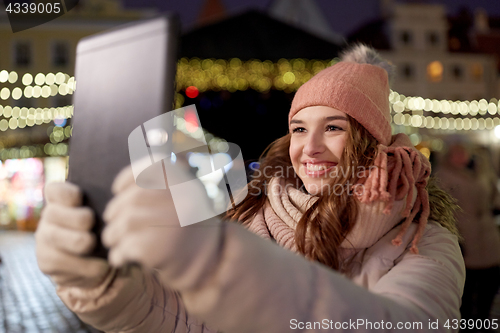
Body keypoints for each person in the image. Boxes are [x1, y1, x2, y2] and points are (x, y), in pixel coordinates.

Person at [35, 44, 465, 332]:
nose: (310, 148)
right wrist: (103, 283)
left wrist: (219, 264)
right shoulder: (249, 208)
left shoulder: (421, 239)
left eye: (333, 128)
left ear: (373, 142)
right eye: (299, 129)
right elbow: (181, 319)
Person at [435, 143, 500, 331]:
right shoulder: (443, 175)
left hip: (488, 237)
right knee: (466, 289)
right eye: (455, 152)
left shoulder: (481, 170)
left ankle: (483, 323)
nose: (460, 156)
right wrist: (454, 237)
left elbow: (493, 193)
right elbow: (441, 209)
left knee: (490, 283)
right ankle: (466, 326)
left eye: (462, 151)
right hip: (464, 238)